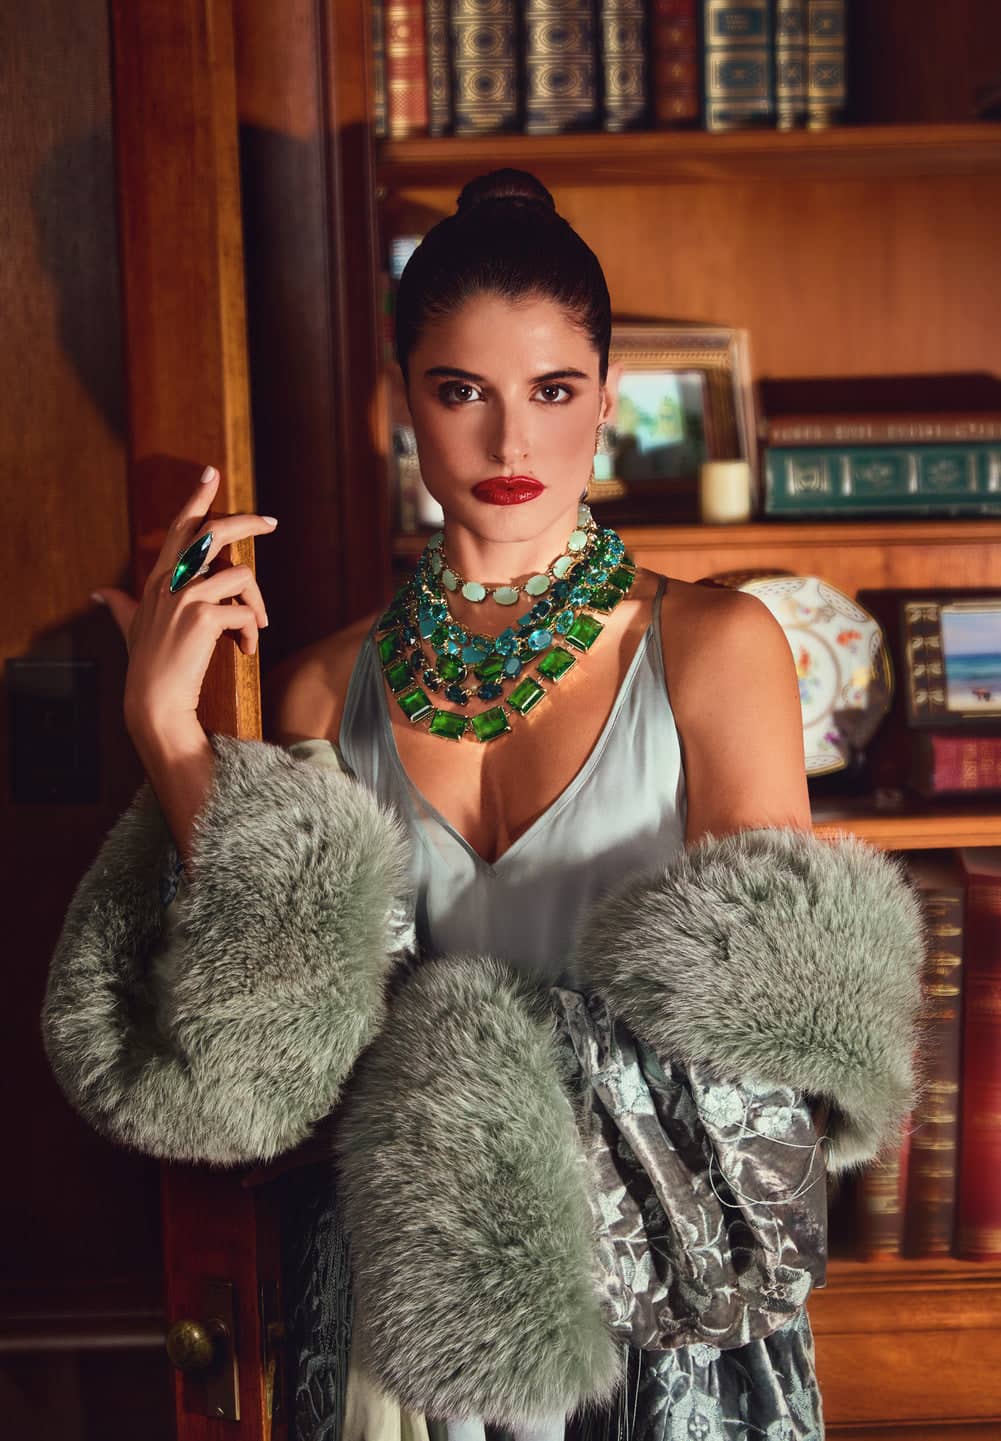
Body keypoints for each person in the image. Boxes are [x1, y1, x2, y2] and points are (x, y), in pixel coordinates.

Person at [43, 170, 928, 1441]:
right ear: (403, 401)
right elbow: (284, 1056)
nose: (512, 445)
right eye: (462, 391)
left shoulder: (716, 646)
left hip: (657, 1332)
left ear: (606, 402)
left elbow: (759, 1077)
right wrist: (169, 737)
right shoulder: (319, 685)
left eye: (552, 392)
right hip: (398, 1339)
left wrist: (441, 1064)